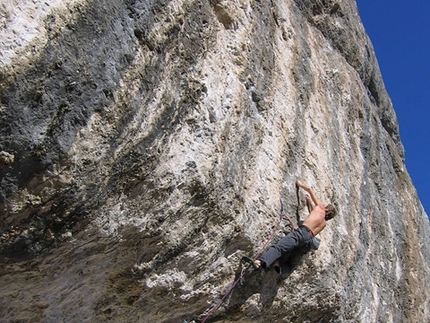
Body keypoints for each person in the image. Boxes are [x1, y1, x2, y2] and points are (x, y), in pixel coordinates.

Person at [243, 180, 337, 274]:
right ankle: (278, 266)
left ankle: (260, 262)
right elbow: (314, 214)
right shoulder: (324, 224)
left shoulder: (320, 208)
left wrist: (300, 184)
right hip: (307, 240)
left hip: (301, 233)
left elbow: (309, 189)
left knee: (279, 247)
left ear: (327, 209)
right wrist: (309, 203)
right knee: (291, 261)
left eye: (325, 206)